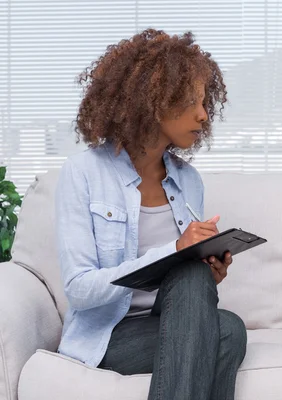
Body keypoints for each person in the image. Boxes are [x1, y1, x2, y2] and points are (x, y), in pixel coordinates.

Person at [55, 29, 246, 400]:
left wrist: (209, 270)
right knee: (226, 331)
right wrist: (175, 249)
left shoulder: (188, 180)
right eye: (193, 101)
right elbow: (78, 290)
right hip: (111, 335)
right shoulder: (83, 173)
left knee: (220, 313)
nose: (204, 115)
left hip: (171, 320)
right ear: (154, 101)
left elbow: (185, 287)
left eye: (206, 102)